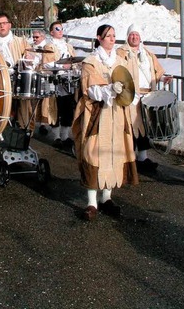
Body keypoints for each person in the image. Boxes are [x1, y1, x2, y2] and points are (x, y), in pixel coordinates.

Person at [71, 24, 138, 221]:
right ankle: (92, 202)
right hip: (97, 115)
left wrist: (130, 95)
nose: (112, 39)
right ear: (99, 38)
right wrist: (109, 89)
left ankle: (107, 197)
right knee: (94, 154)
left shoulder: (120, 61)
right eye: (108, 36)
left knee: (113, 154)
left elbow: (129, 87)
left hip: (117, 115)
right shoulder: (90, 62)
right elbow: (91, 90)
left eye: (114, 36)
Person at [116, 24, 172, 173]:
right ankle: (128, 159)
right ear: (127, 37)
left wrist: (163, 78)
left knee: (145, 127)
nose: (134, 37)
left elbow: (156, 72)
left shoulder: (147, 53)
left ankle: (142, 157)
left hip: (147, 96)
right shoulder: (121, 53)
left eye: (137, 35)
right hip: (130, 96)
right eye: (132, 34)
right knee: (131, 127)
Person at [0, 12, 30, 172]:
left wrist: (27, 60)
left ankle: (17, 154)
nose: (1, 25)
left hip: (16, 85)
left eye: (4, 23)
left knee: (18, 121)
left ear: (10, 25)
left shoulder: (21, 42)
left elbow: (31, 60)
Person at [40, 21, 77, 149]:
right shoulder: (49, 46)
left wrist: (73, 67)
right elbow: (45, 64)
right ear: (51, 32)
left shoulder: (68, 46)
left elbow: (75, 61)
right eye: (57, 29)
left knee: (68, 109)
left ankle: (65, 136)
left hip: (68, 80)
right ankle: (56, 136)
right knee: (56, 108)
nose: (60, 31)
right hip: (55, 80)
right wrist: (61, 66)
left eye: (61, 28)